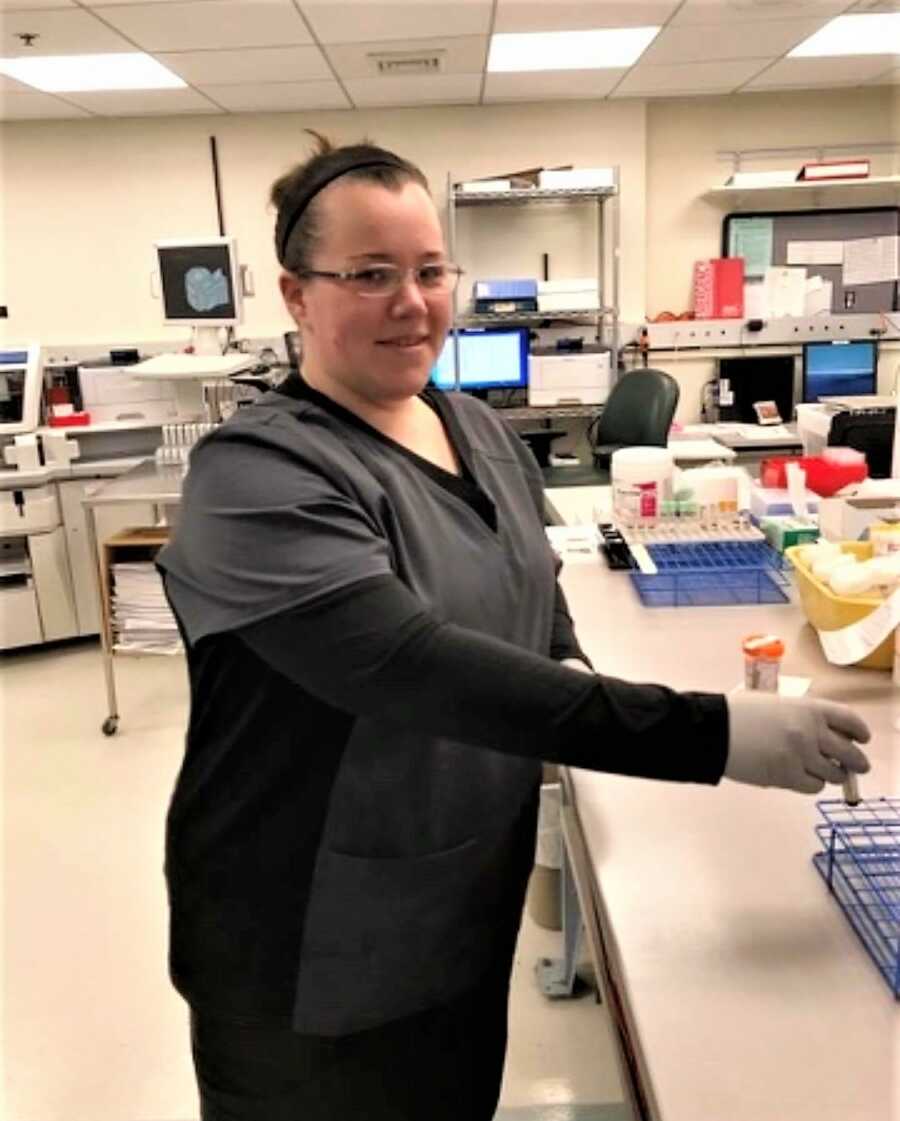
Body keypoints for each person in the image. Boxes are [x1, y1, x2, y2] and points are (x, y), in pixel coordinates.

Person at [156, 133, 871, 1121]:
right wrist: (710, 735)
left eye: (429, 269)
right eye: (369, 274)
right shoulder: (254, 478)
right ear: (296, 295)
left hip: (451, 902)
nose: (411, 302)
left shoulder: (474, 427)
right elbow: (410, 666)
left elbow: (534, 596)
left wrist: (577, 682)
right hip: (300, 944)